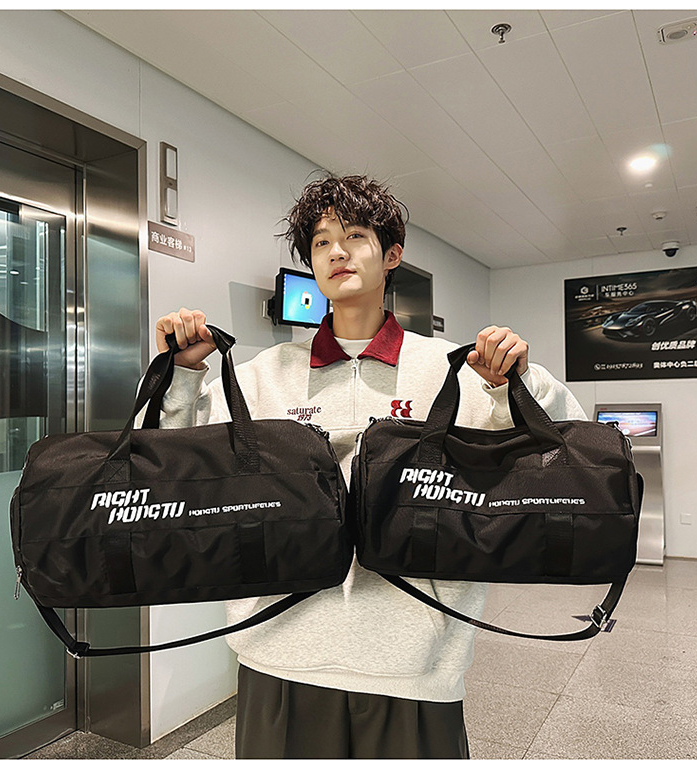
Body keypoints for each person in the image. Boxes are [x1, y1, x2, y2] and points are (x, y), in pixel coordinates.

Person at [152, 174, 587, 759]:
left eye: (355, 236)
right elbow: (168, 468)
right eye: (321, 242)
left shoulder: (457, 369)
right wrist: (180, 374)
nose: (337, 252)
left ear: (392, 256)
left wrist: (520, 381)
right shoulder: (261, 375)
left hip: (418, 665)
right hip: (279, 657)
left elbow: (563, 446)